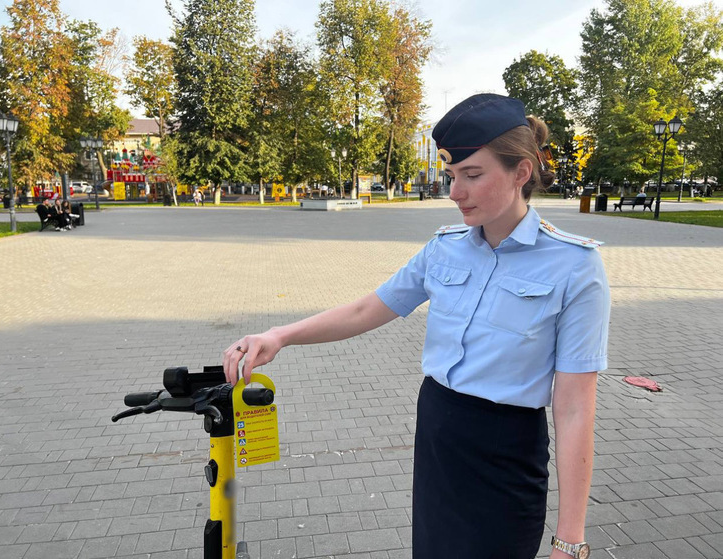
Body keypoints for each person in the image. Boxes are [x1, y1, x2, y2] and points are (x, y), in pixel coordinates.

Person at [222, 94, 610, 559]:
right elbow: (369, 310)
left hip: (507, 451)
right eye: (452, 176)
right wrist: (279, 335)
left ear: (521, 172)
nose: (454, 192)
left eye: (472, 175)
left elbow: (573, 409)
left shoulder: (574, 266)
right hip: (439, 434)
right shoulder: (444, 248)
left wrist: (570, 538)